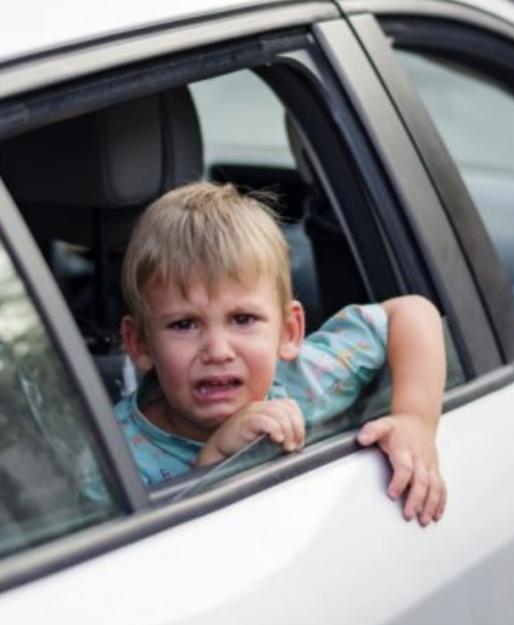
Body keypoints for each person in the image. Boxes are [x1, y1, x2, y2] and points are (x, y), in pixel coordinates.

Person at [117, 182, 448, 525]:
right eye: (184, 324)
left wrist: (415, 420)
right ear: (140, 343)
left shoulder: (306, 379)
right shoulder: (114, 463)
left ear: (289, 332)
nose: (217, 351)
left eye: (242, 319)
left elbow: (411, 312)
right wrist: (215, 459)